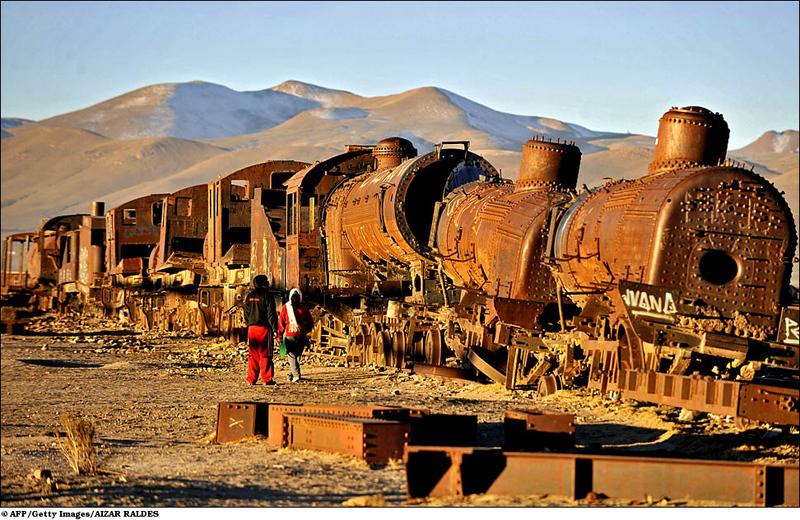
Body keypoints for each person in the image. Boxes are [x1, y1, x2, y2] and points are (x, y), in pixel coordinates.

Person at [243, 275, 278, 385]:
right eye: (267, 282)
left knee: (253, 355)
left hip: (251, 329)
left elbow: (246, 313)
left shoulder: (249, 296)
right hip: (264, 329)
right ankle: (267, 379)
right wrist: (275, 329)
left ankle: (251, 379)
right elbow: (271, 314)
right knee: (265, 354)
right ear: (264, 284)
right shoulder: (267, 295)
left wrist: (249, 324)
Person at [278, 288, 314, 383]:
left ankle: (296, 376)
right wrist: (306, 331)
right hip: (301, 334)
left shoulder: (286, 307)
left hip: (289, 334)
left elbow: (281, 323)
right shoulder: (304, 307)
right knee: (297, 355)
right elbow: (310, 322)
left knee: (292, 356)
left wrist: (280, 336)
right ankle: (291, 374)